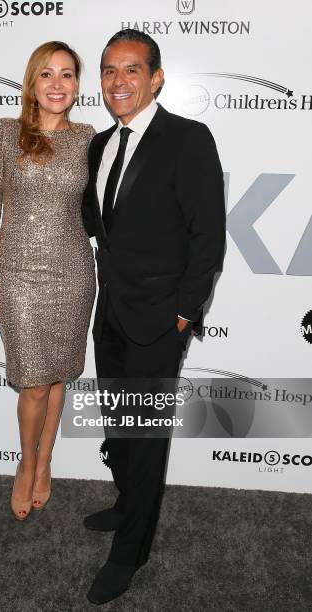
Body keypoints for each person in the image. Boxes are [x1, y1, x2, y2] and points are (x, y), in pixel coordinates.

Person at [81, 29, 226, 604]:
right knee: (118, 424)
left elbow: (207, 235)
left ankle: (131, 552)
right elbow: (102, 228)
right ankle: (126, 504)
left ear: (156, 77)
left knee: (145, 433)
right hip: (111, 310)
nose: (119, 82)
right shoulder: (99, 145)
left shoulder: (187, 138)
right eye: (109, 70)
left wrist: (185, 314)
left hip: (160, 319)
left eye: (132, 70)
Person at [0, 41, 96, 521]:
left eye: (67, 75)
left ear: (77, 85)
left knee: (59, 370)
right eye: (47, 74)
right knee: (34, 383)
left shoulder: (90, 138)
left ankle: (46, 460)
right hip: (18, 275)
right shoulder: (5, 133)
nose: (57, 84)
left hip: (73, 272)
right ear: (32, 82)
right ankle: (27, 462)